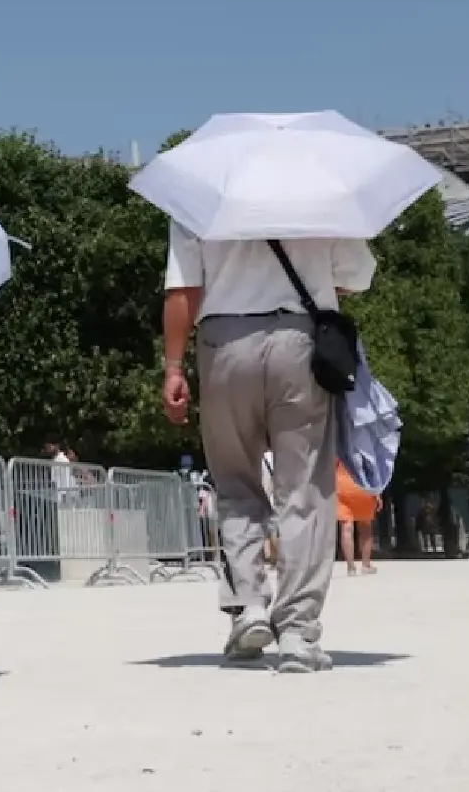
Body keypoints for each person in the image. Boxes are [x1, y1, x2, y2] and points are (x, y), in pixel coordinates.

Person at [160, 222, 374, 674]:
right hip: (299, 341)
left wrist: (174, 366)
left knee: (235, 481)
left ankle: (249, 608)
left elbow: (183, 289)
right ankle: (297, 629)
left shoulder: (200, 194)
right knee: (305, 489)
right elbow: (354, 278)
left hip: (224, 341)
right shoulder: (321, 192)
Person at [335, 460, 379, 576]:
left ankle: (351, 567)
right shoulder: (366, 447)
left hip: (343, 487)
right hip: (364, 488)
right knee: (365, 527)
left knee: (346, 527)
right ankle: (366, 565)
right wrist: (378, 493)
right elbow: (374, 470)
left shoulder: (338, 446)